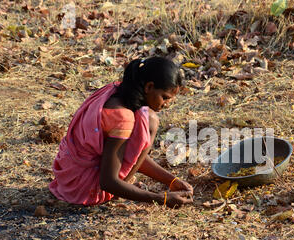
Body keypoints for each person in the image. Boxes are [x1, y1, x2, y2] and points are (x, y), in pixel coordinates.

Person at [49, 57, 193, 208]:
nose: (167, 104)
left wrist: (172, 181)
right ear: (149, 87)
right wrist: (161, 199)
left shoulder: (114, 91)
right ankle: (122, 185)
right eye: (164, 98)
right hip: (82, 189)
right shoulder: (123, 118)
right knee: (151, 121)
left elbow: (127, 154)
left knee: (149, 119)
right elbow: (108, 182)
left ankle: (123, 184)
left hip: (68, 174)